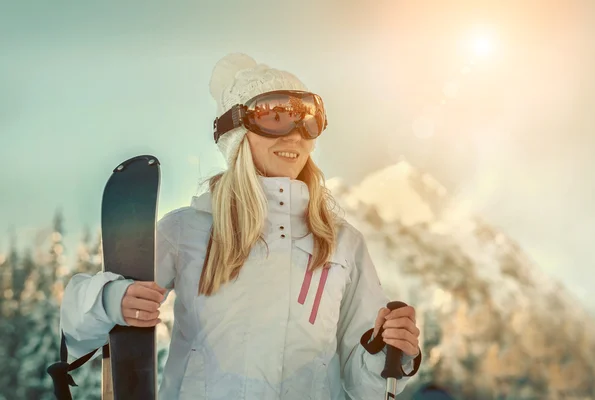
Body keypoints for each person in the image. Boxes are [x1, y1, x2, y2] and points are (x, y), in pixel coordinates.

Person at [60, 53, 422, 399]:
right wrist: (110, 299)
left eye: (308, 119)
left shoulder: (342, 244)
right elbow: (76, 327)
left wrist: (387, 352)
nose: (295, 134)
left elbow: (367, 389)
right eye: (275, 116)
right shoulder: (188, 231)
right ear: (237, 132)